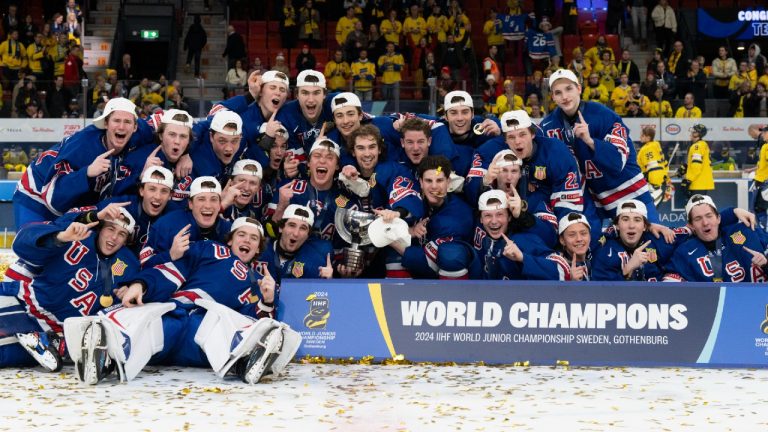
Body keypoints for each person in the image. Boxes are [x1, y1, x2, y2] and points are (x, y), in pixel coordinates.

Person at [68, 217, 300, 385]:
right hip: (173, 317)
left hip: (200, 341)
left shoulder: (260, 282)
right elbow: (172, 271)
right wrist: (142, 285)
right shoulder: (210, 249)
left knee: (227, 321)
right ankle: (106, 357)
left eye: (253, 238)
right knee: (147, 316)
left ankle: (246, 362)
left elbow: (251, 315)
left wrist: (268, 302)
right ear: (230, 240)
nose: (246, 240)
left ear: (259, 248)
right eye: (241, 234)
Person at [541, 69, 671, 245]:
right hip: (594, 198)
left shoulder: (603, 115)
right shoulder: (548, 126)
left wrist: (589, 140)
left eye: (568, 89)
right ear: (553, 97)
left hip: (630, 191)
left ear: (579, 89)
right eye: (558, 92)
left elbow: (617, 161)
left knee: (653, 245)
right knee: (591, 247)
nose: (564, 96)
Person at [4, 206, 138, 372]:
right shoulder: (77, 234)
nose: (114, 237)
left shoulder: (129, 265)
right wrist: (61, 237)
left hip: (58, 329)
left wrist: (131, 288)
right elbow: (23, 241)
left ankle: (58, 343)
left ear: (126, 241)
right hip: (26, 303)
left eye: (122, 234)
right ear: (99, 228)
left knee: (7, 353)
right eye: (110, 229)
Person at [466, 110, 583, 222]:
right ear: (504, 140)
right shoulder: (489, 151)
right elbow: (470, 195)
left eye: (522, 134)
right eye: (511, 137)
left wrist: (563, 229)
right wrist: (484, 181)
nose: (517, 141)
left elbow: (569, 203)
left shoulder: (555, 152)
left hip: (548, 210)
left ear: (532, 134)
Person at [386, 155, 477, 279]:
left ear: (448, 182)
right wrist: (410, 231)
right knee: (393, 257)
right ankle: (397, 297)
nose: (434, 186)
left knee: (450, 255)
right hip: (419, 259)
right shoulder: (412, 200)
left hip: (440, 268)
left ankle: (453, 295)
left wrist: (395, 243)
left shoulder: (459, 216)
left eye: (439, 180)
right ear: (421, 183)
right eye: (429, 181)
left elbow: (429, 264)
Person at [664, 195, 768, 283]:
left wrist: (765, 264)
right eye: (698, 219)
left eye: (709, 216)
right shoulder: (685, 252)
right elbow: (670, 286)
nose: (705, 223)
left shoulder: (747, 231)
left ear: (718, 218)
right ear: (691, 225)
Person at [139, 176, 232, 268]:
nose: (208, 205)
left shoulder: (228, 230)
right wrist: (171, 255)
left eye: (213, 199)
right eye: (201, 199)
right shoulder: (167, 225)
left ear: (220, 205)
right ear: (190, 204)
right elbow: (144, 264)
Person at [592, 199, 680, 281]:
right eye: (625, 219)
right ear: (617, 225)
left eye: (637, 220)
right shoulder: (605, 251)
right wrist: (627, 270)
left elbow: (690, 233)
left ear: (645, 226)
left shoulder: (658, 239)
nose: (631, 226)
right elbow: (602, 291)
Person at [259, 204, 334, 280]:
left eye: (303, 228)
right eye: (292, 225)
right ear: (281, 228)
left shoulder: (314, 262)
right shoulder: (259, 250)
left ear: (308, 235)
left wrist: (327, 283)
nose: (296, 233)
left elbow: (319, 291)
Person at [677, 124, 713, 198]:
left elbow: (696, 166)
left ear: (698, 134)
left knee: (695, 207)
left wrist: (688, 179)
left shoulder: (696, 146)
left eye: (694, 131)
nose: (691, 133)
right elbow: (699, 163)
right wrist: (686, 167)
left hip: (697, 183)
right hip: (702, 183)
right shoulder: (703, 144)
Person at [636, 126, 669, 206]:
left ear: (648, 137)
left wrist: (653, 182)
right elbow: (664, 164)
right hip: (660, 179)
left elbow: (653, 167)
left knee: (650, 208)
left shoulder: (647, 148)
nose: (640, 137)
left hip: (654, 183)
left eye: (642, 135)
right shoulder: (656, 145)